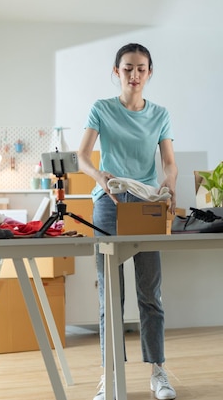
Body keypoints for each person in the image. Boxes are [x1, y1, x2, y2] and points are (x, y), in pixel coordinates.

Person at [77, 43, 178, 400]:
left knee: (150, 292)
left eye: (141, 69)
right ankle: (111, 375)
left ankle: (158, 371)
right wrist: (98, 176)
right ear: (116, 72)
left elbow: (168, 161)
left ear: (150, 73)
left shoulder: (160, 114)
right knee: (111, 296)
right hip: (109, 202)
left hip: (148, 204)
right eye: (127, 68)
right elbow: (82, 156)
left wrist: (171, 181)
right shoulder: (101, 109)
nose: (134, 75)